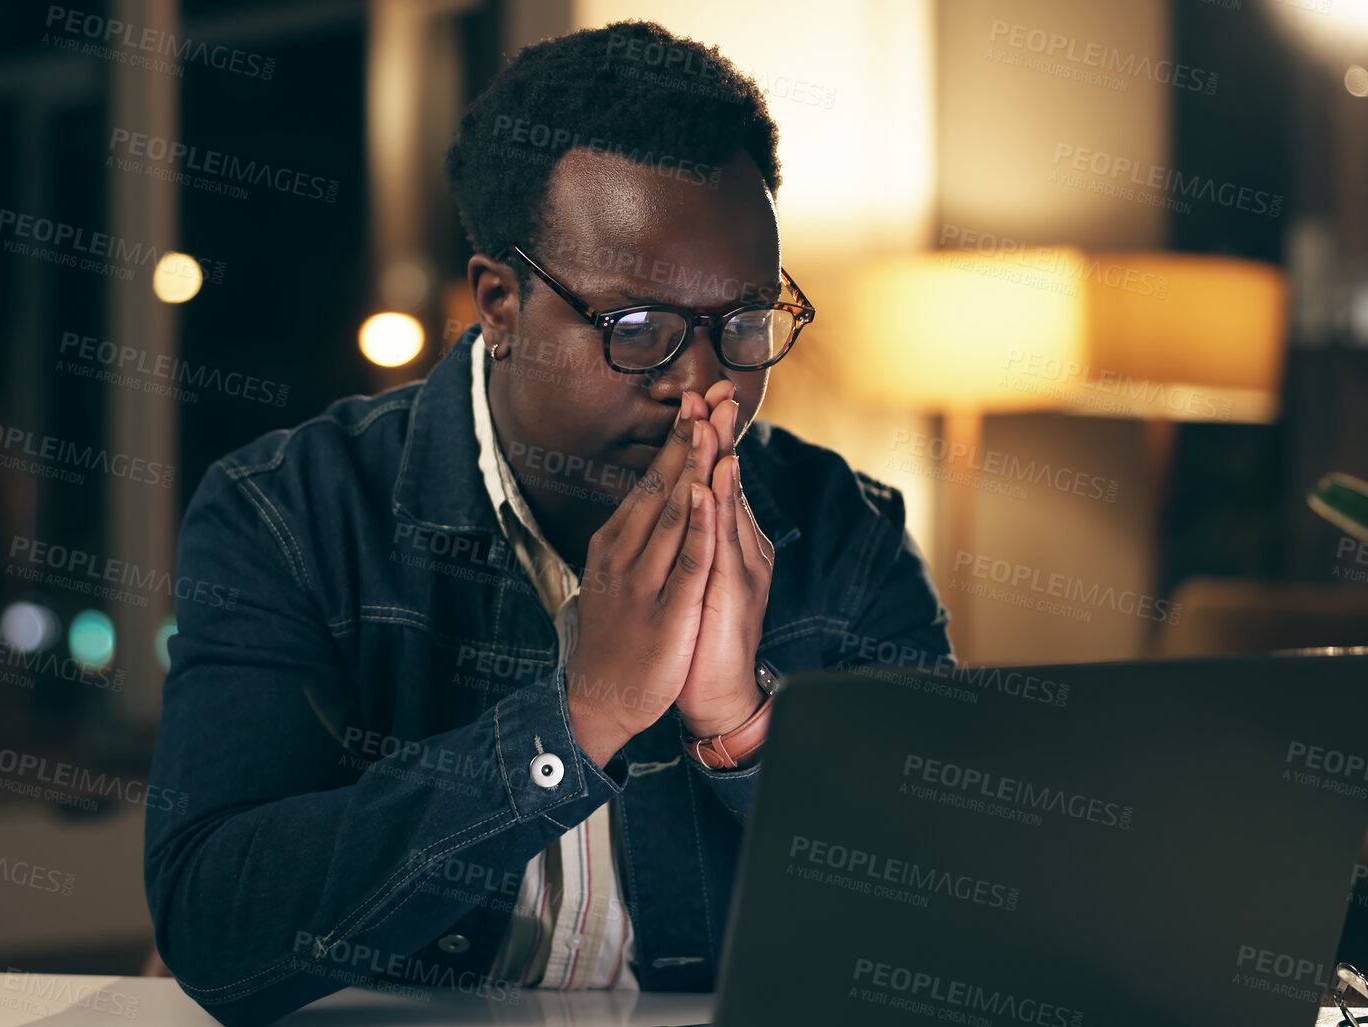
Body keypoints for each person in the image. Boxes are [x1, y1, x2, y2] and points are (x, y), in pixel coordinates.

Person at [143, 19, 955, 1026]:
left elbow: (951, 928)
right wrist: (577, 721)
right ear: (500, 302)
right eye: (638, 329)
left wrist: (744, 727)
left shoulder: (846, 531)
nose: (704, 387)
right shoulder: (292, 511)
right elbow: (216, 922)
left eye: (744, 323)